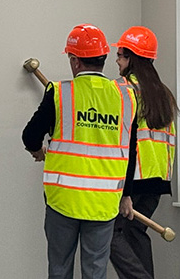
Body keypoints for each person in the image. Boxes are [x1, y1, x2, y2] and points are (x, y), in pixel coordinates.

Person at [22, 24, 138, 279]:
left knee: (60, 269)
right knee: (95, 271)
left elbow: (29, 135)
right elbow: (131, 151)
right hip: (104, 201)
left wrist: (38, 151)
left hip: (63, 200)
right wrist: (126, 195)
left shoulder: (59, 93)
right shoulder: (127, 96)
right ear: (104, 58)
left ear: (74, 61)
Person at [109, 27, 179, 279]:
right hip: (158, 179)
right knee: (134, 232)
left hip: (133, 177)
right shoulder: (163, 92)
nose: (116, 60)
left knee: (108, 234)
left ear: (132, 59)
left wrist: (124, 189)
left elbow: (123, 139)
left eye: (120, 55)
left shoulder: (124, 90)